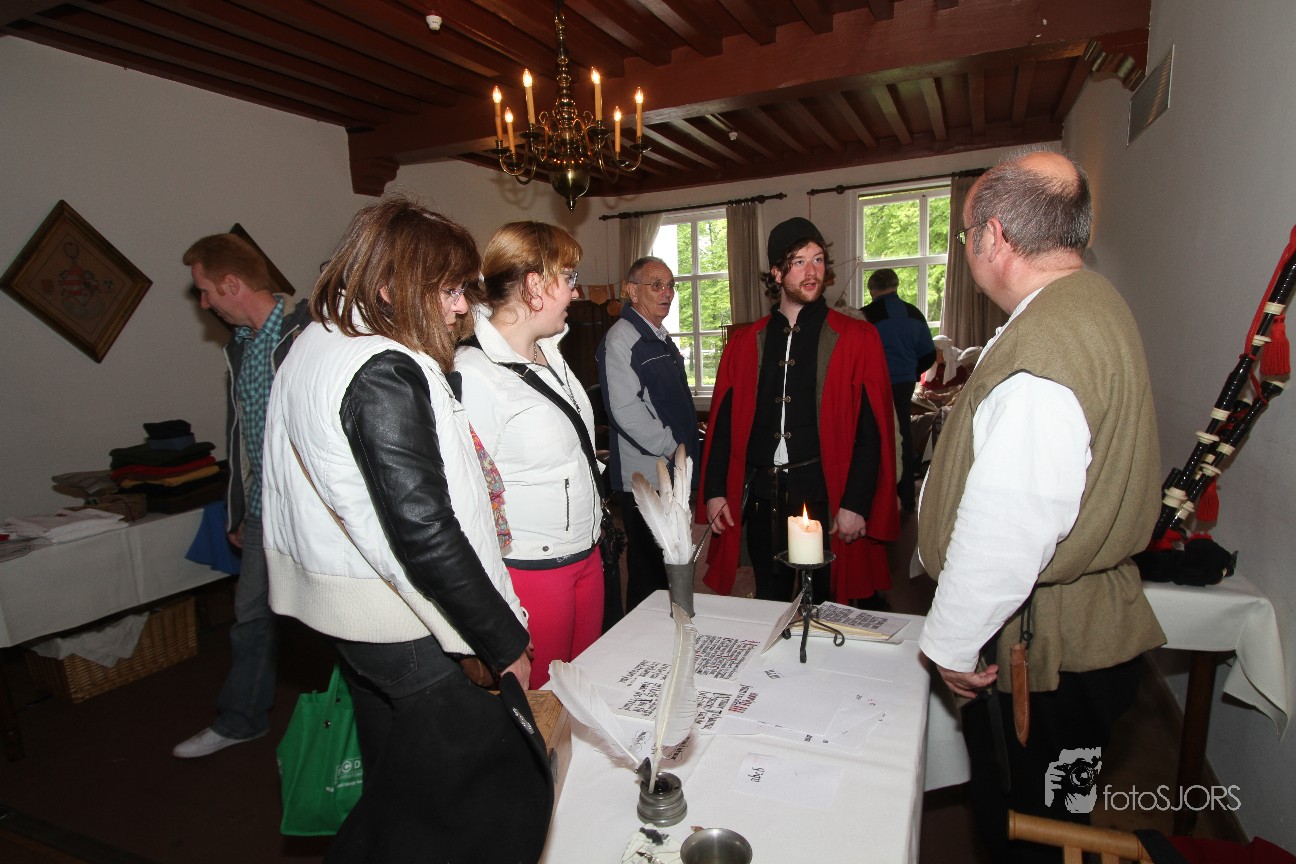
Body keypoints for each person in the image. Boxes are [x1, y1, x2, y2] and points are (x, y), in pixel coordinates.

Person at [261, 197, 551, 863]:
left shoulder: (316, 340)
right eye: (448, 290)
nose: (460, 308)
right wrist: (500, 638)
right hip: (406, 624)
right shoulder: (383, 367)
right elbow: (424, 530)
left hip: (353, 616)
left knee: (398, 791)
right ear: (393, 286)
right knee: (480, 803)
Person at [916, 150, 1165, 863]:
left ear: (993, 237)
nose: (968, 248)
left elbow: (1009, 527)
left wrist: (951, 645)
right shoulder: (1090, 302)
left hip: (1045, 645)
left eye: (967, 234)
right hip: (1072, 631)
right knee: (1054, 819)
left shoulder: (1044, 350)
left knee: (1026, 831)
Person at [700, 218, 899, 606]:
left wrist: (856, 503)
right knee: (769, 603)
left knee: (824, 607)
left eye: (818, 259)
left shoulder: (856, 338)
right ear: (776, 273)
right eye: (799, 261)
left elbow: (871, 430)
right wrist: (715, 491)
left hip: (823, 495)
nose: (812, 272)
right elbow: (723, 422)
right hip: (763, 497)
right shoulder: (745, 342)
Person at [172, 233, 311, 759]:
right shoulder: (241, 347)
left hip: (312, 513)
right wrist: (240, 509)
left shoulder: (306, 332)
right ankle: (241, 720)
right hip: (263, 512)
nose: (204, 303)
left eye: (206, 290)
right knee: (251, 616)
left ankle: (354, 730)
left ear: (232, 284)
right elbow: (240, 438)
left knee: (332, 621)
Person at [456, 221, 602, 690]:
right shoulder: (474, 373)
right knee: (540, 703)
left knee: (583, 690)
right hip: (533, 570)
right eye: (570, 278)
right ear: (535, 285)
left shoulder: (549, 352)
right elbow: (469, 499)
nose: (576, 292)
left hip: (586, 552)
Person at [596, 256, 699, 613]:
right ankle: (640, 638)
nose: (667, 292)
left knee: (670, 562)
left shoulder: (657, 337)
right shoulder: (622, 339)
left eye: (671, 285)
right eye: (656, 285)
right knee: (648, 571)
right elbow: (625, 411)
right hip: (647, 476)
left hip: (671, 470)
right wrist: (671, 448)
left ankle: (670, 630)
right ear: (632, 291)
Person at [862, 267, 937, 513]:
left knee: (873, 437)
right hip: (904, 383)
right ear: (895, 286)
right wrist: (911, 370)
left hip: (875, 384)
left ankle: (878, 497)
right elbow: (929, 354)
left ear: (872, 290)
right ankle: (906, 497)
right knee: (902, 435)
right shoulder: (913, 313)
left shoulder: (865, 316)